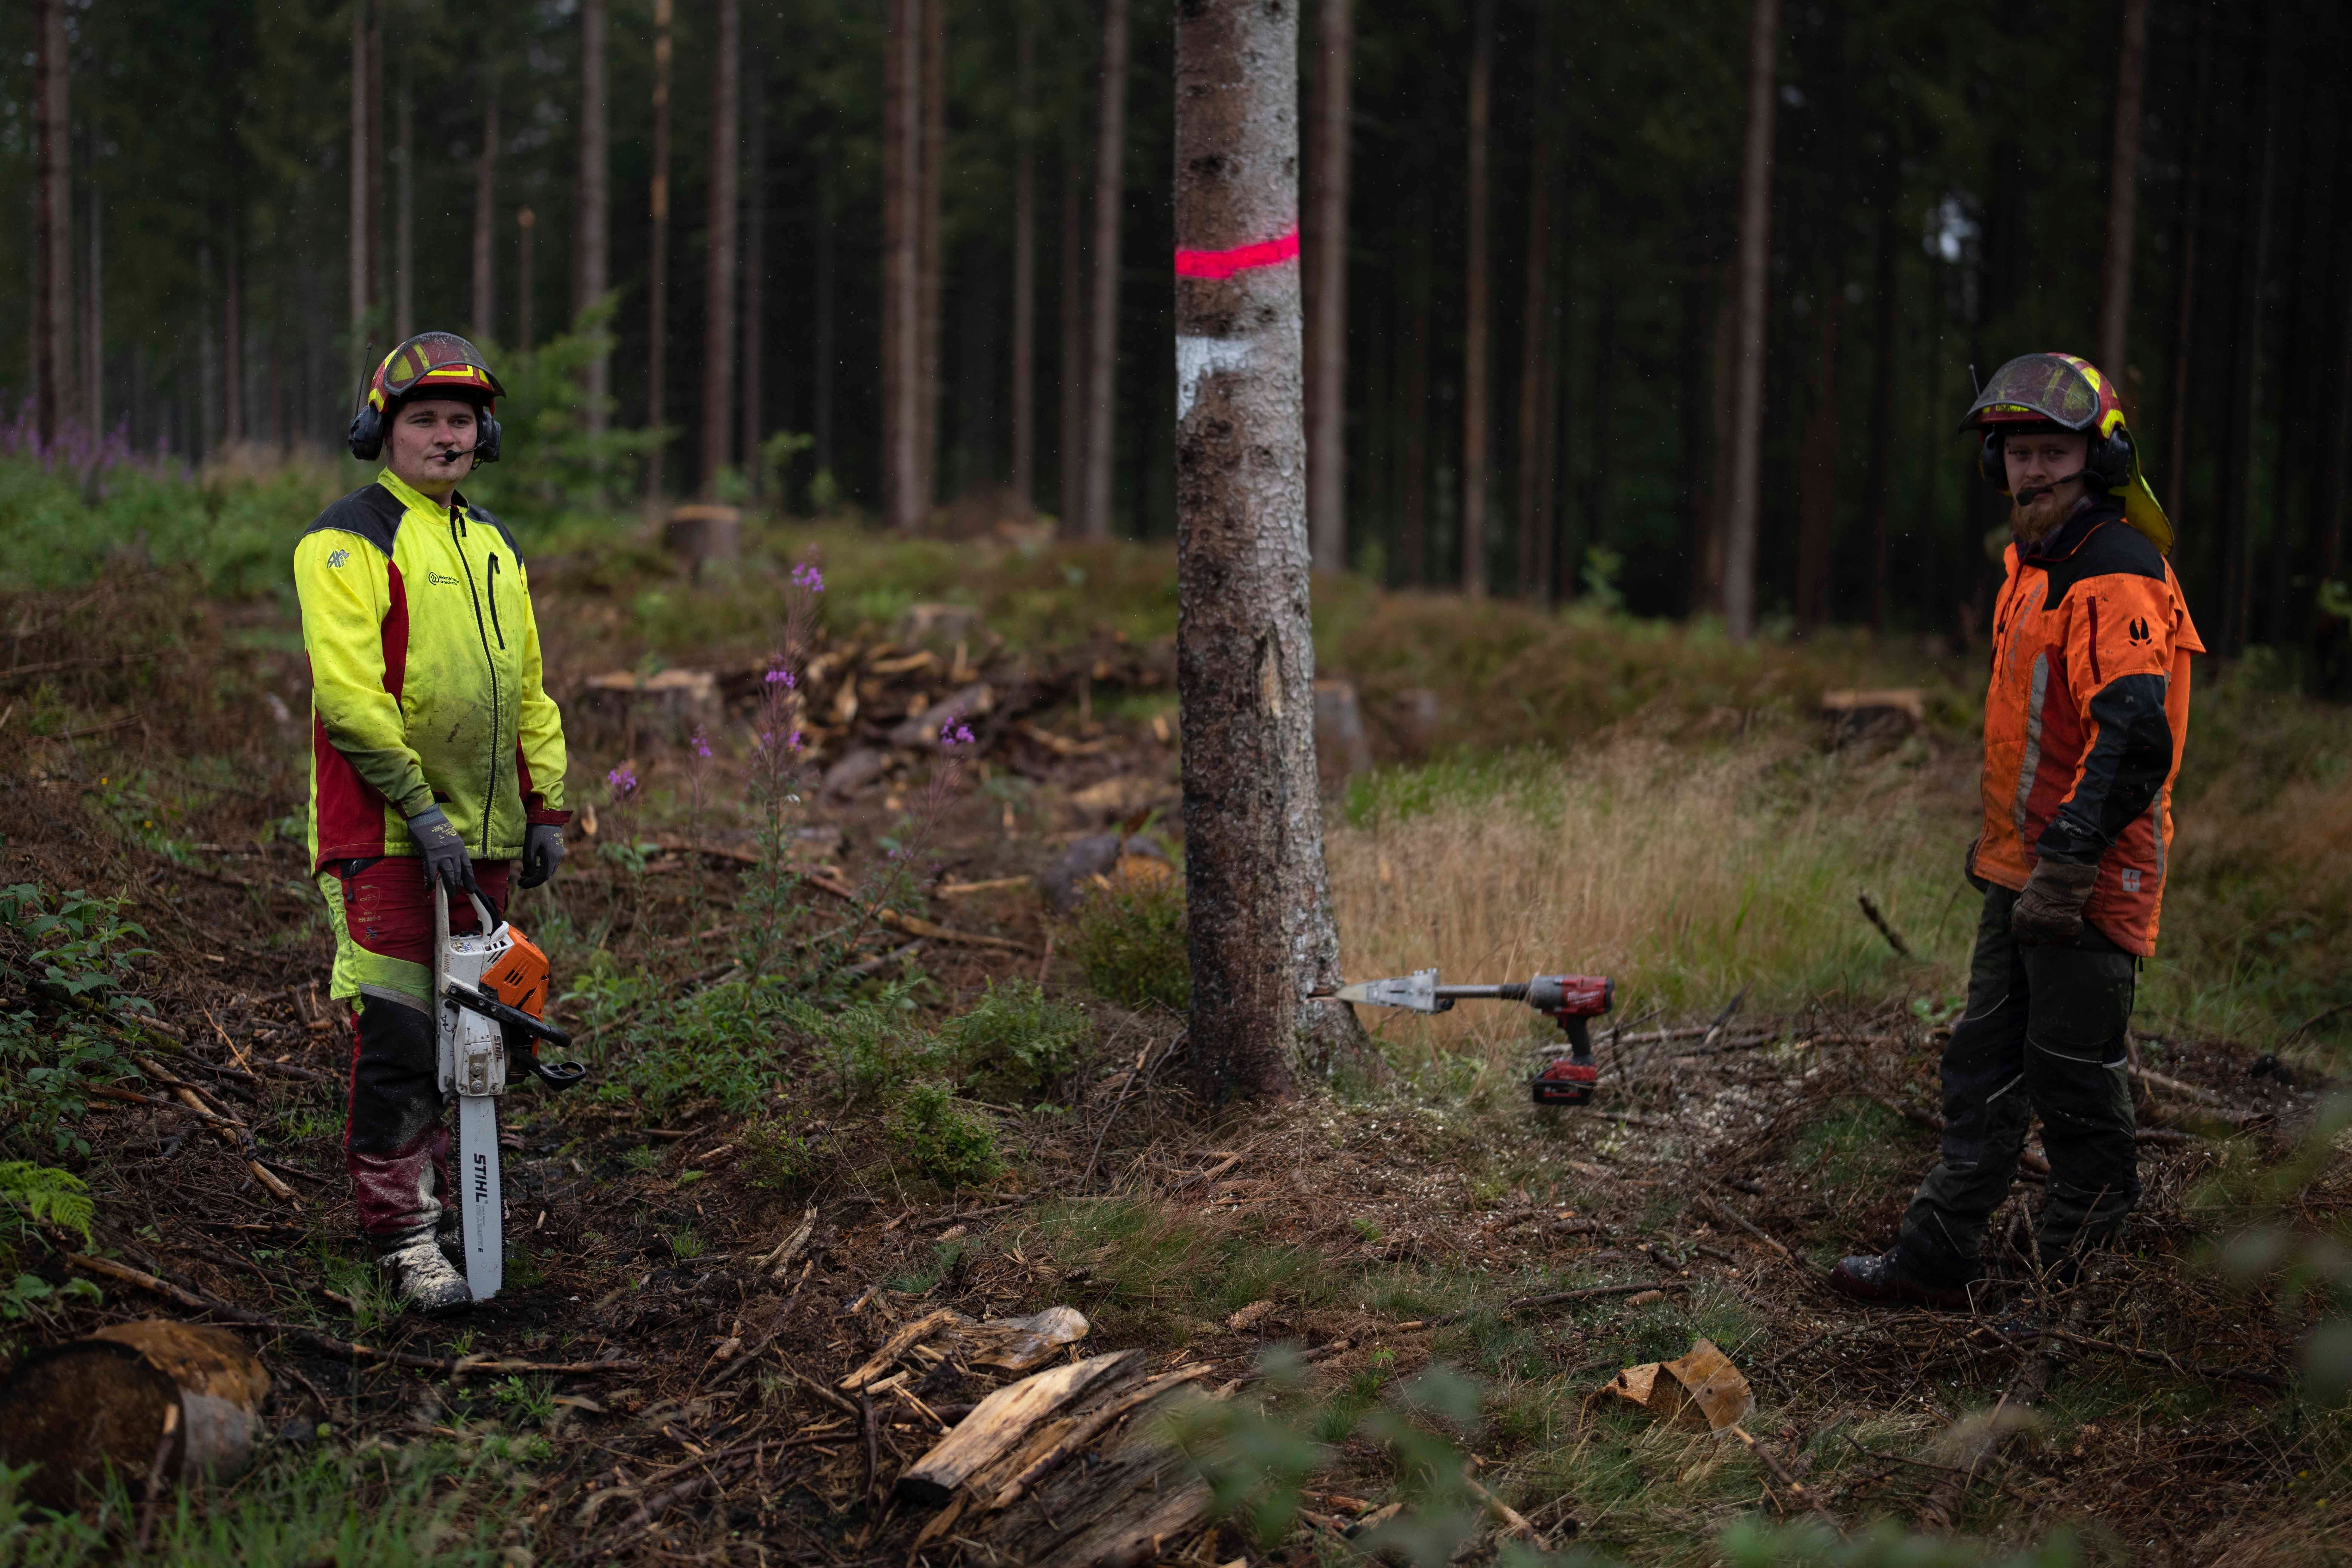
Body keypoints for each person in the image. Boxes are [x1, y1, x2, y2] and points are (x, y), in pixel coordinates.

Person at [1832, 352, 2202, 1312]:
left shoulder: (2114, 575)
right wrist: (2012, 852)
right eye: (2017, 452)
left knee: (2072, 1084)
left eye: (2052, 452)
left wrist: (2068, 863)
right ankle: (1934, 1260)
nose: (2032, 470)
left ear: (2098, 459)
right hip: (2022, 870)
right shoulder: (2031, 570)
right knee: (1982, 1068)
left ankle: (2067, 1297)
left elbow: (2134, 740)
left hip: (2089, 876)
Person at [295, 333, 572, 1312]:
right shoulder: (347, 539)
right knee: (403, 1035)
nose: (446, 436)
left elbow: (528, 686)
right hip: (383, 835)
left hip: (482, 837)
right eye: (425, 420)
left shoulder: (494, 544)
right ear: (383, 430)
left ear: (483, 435)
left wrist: (545, 803)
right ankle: (402, 1237)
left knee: (478, 1035)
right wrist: (417, 805)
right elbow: (348, 696)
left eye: (462, 420)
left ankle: (456, 1210)